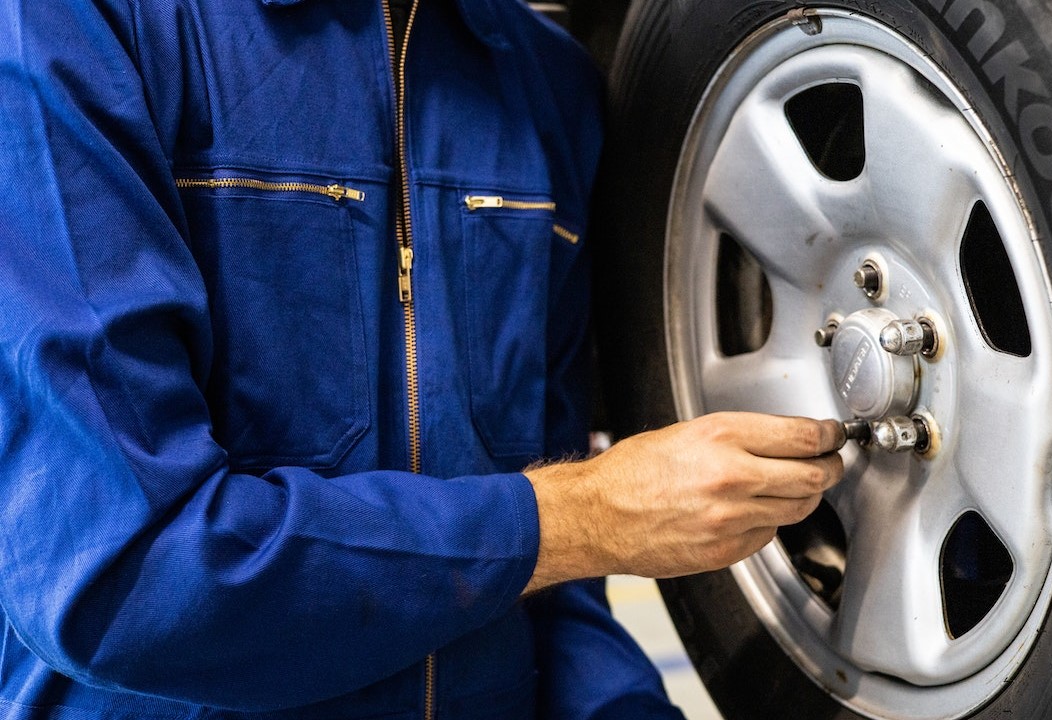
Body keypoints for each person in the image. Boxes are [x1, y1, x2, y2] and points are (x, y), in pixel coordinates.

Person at [0, 0, 845, 718]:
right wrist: (577, 517)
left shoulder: (546, 85)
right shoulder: (74, 27)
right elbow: (123, 580)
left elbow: (555, 597)